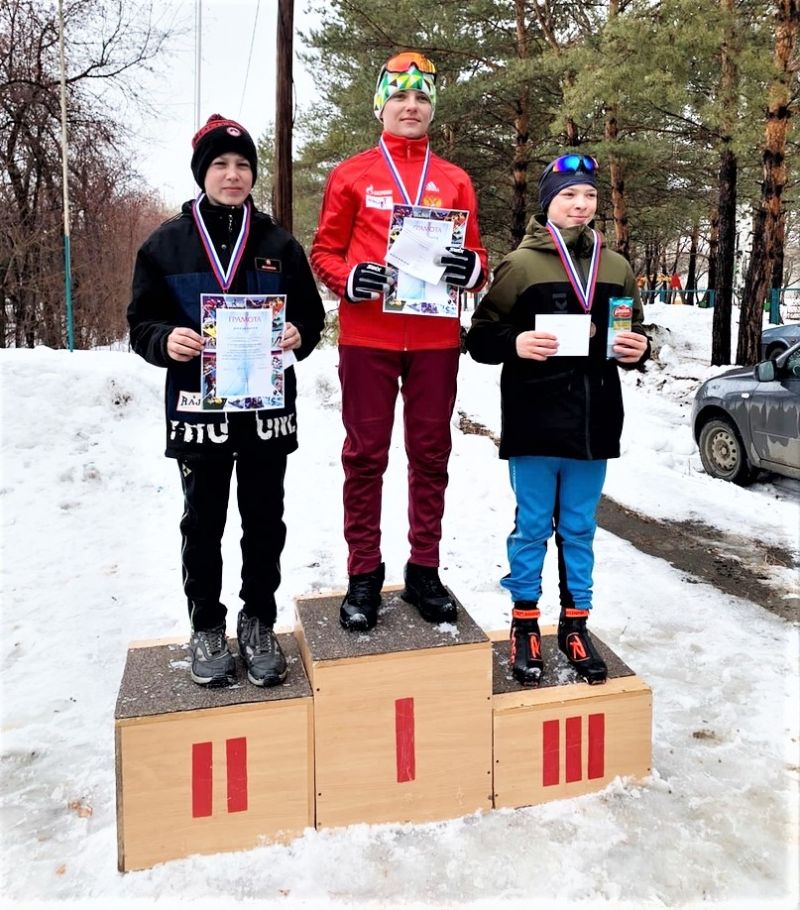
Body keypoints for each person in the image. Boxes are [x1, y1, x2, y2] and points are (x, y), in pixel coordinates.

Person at [128, 114, 325, 687]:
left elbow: (310, 316)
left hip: (265, 410)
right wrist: (166, 340)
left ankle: (258, 620)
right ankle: (207, 625)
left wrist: (300, 333)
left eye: (242, 165)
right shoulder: (165, 244)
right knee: (204, 522)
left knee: (264, 520)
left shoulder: (278, 243)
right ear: (202, 172)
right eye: (220, 164)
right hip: (199, 411)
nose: (233, 174)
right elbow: (141, 323)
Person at [310, 51, 488, 632]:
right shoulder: (352, 174)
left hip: (436, 338)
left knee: (431, 454)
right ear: (380, 105)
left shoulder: (454, 179)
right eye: (399, 96)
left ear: (432, 108)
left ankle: (424, 569)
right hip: (369, 336)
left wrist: (473, 269)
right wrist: (348, 278)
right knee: (365, 456)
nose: (411, 106)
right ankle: (364, 572)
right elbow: (324, 252)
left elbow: (476, 254)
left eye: (421, 97)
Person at [466, 153, 650, 686]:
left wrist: (639, 348)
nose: (581, 204)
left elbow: (633, 330)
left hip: (595, 422)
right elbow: (480, 337)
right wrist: (516, 342)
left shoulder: (616, 266)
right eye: (569, 194)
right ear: (548, 202)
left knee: (579, 528)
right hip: (535, 420)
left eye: (589, 195)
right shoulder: (520, 265)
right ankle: (525, 621)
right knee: (531, 526)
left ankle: (575, 624)